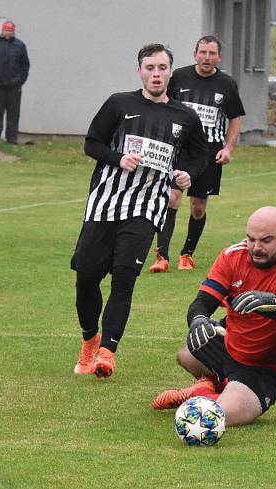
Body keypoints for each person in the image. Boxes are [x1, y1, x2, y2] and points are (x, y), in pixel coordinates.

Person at [71, 43, 207, 379]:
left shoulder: (184, 117)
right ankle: (91, 340)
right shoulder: (120, 104)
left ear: (170, 71)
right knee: (86, 278)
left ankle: (107, 353)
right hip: (105, 204)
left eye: (162, 68)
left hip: (146, 208)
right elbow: (92, 143)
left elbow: (200, 155)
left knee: (124, 279)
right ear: (140, 71)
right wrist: (118, 159)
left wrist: (187, 172)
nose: (156, 74)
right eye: (150, 68)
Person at [151, 207, 276, 426]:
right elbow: (202, 303)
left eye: (266, 240)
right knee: (186, 355)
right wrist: (198, 320)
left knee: (217, 417)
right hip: (231, 348)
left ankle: (202, 397)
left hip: (267, 369)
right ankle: (206, 387)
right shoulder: (233, 256)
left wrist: (275, 302)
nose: (256, 248)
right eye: (251, 239)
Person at [148, 35, 245, 273]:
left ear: (219, 57)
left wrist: (228, 147)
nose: (207, 57)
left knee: (198, 207)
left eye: (212, 53)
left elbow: (235, 117)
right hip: (178, 149)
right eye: (203, 52)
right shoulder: (179, 77)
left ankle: (187, 254)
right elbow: (161, 102)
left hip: (209, 153)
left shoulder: (226, 84)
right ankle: (162, 256)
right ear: (195, 54)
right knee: (172, 197)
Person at [0, 21, 30, 144]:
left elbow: (25, 65)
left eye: (10, 30)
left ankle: (12, 138)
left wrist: (19, 81)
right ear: (2, 31)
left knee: (13, 114)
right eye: (6, 30)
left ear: (13, 31)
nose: (8, 32)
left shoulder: (20, 46)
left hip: (14, 87)